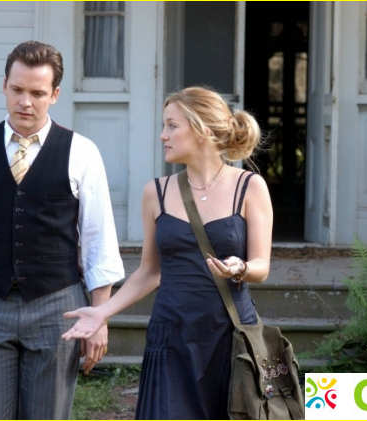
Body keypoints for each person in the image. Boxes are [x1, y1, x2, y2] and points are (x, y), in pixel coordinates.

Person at [0, 41, 125, 420]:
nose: (25, 102)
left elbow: (99, 243)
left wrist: (99, 317)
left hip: (58, 307)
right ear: (4, 85)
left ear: (55, 95)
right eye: (17, 89)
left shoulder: (82, 152)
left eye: (37, 93)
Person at [61, 86, 273, 419]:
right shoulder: (155, 192)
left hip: (230, 333)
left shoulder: (250, 187)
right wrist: (102, 311)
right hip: (172, 333)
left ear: (201, 130)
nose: (163, 135)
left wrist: (240, 268)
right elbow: (149, 271)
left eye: (172, 126)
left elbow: (262, 266)